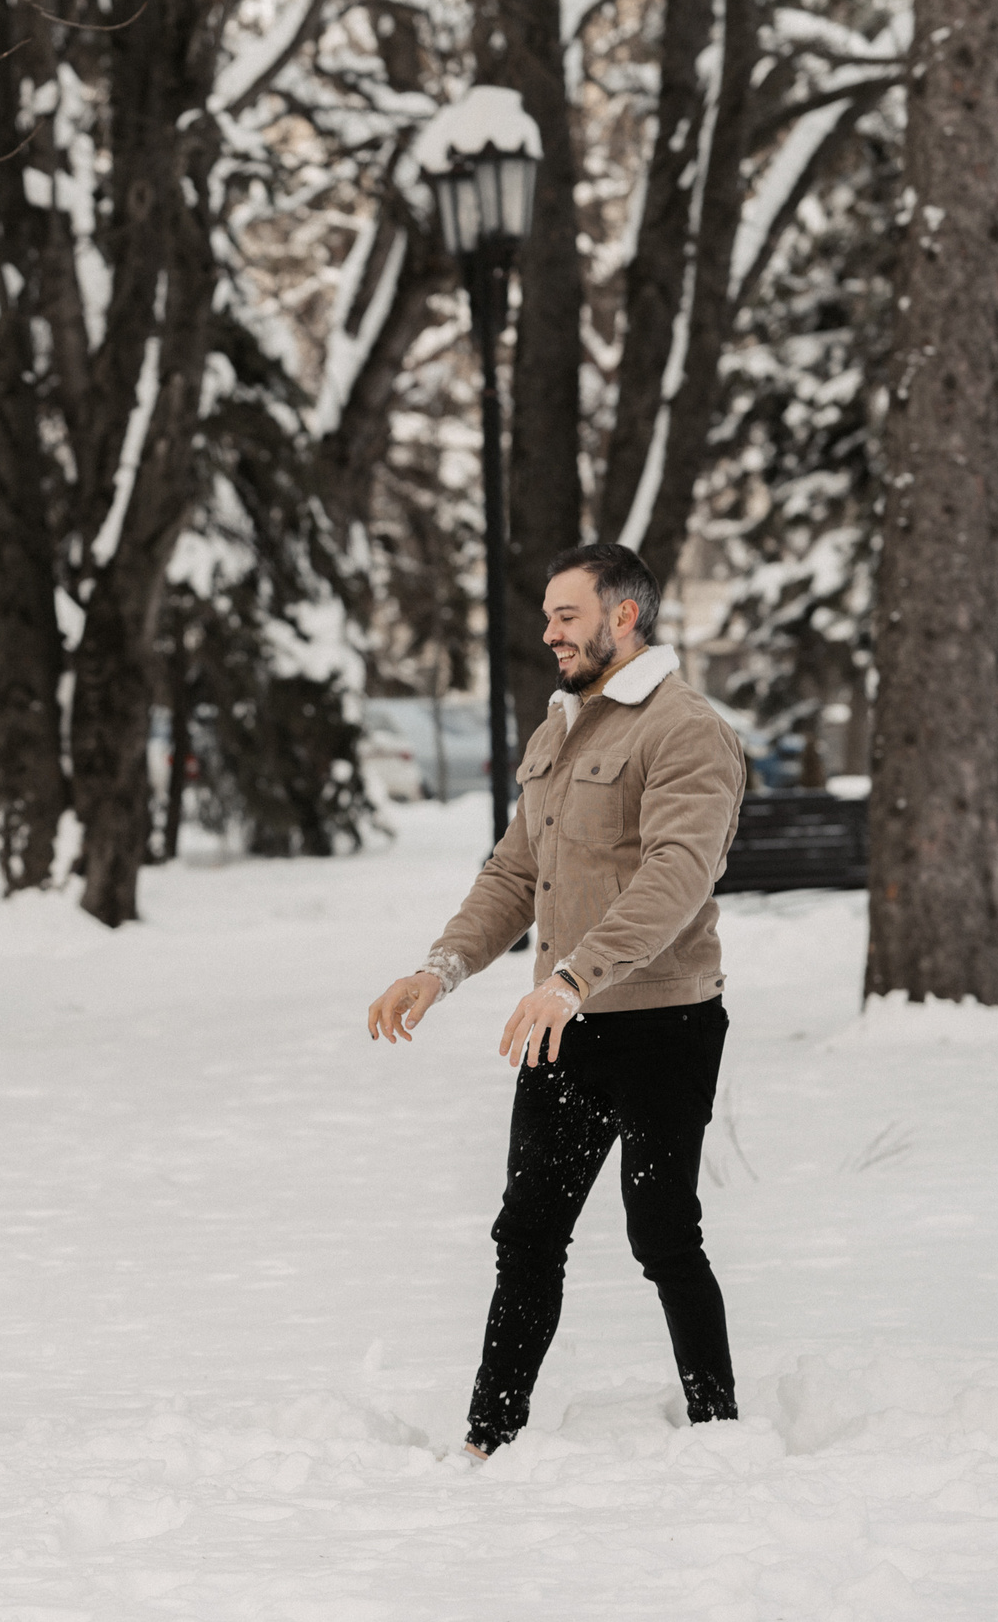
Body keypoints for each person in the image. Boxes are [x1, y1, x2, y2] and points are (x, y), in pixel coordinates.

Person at [365, 544, 748, 1460]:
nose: (549, 632)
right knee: (527, 1233)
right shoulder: (559, 729)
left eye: (567, 614)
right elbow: (514, 872)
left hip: (663, 1022)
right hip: (563, 1025)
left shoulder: (685, 729)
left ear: (624, 616)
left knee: (663, 1232)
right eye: (547, 615)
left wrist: (574, 977)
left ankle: (719, 1427)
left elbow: (676, 875)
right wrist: (440, 968)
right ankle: (488, 1438)